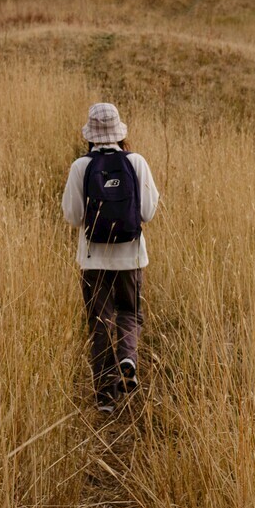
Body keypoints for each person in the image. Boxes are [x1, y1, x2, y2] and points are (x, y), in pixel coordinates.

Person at [62, 103, 159, 414]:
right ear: (120, 132)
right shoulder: (136, 162)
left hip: (93, 261)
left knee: (100, 323)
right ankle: (128, 356)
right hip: (130, 256)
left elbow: (73, 216)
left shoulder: (81, 166)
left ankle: (105, 397)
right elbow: (148, 212)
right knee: (129, 312)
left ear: (91, 134)